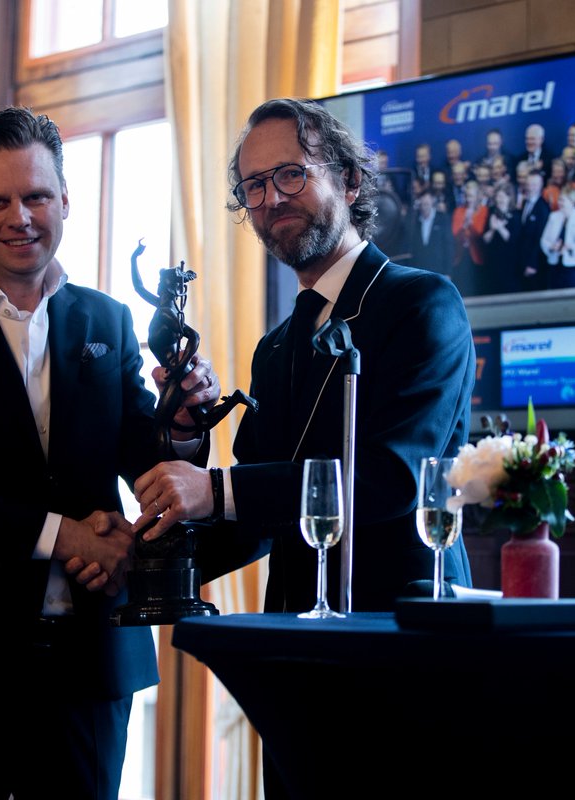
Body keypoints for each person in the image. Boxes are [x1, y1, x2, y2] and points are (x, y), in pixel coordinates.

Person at [0, 106, 221, 799]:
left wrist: (181, 425)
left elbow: (143, 455)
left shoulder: (108, 318)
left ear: (65, 202)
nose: (19, 217)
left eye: (36, 196)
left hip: (89, 664)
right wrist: (64, 535)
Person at [132, 97, 475, 613]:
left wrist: (216, 489)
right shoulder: (273, 347)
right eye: (254, 185)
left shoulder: (422, 303)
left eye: (291, 174)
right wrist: (136, 552)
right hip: (293, 632)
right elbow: (256, 514)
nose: (272, 198)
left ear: (349, 181)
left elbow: (391, 478)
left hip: (401, 627)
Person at [540, 187, 575, 289]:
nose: (560, 203)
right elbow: (544, 240)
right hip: (554, 263)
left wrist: (571, 247)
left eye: (563, 200)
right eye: (559, 199)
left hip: (572, 265)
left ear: (572, 201)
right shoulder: (554, 216)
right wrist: (552, 247)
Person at [513, 170, 551, 292]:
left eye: (534, 184)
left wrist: (533, 264)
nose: (530, 187)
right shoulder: (524, 203)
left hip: (535, 264)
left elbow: (540, 238)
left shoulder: (543, 208)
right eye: (528, 184)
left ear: (540, 186)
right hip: (521, 260)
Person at [405, 190, 455, 276]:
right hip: (420, 271)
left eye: (427, 204)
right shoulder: (415, 221)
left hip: (438, 270)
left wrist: (448, 272)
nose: (424, 207)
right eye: (422, 204)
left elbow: (448, 247)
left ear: (432, 202)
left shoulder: (443, 219)